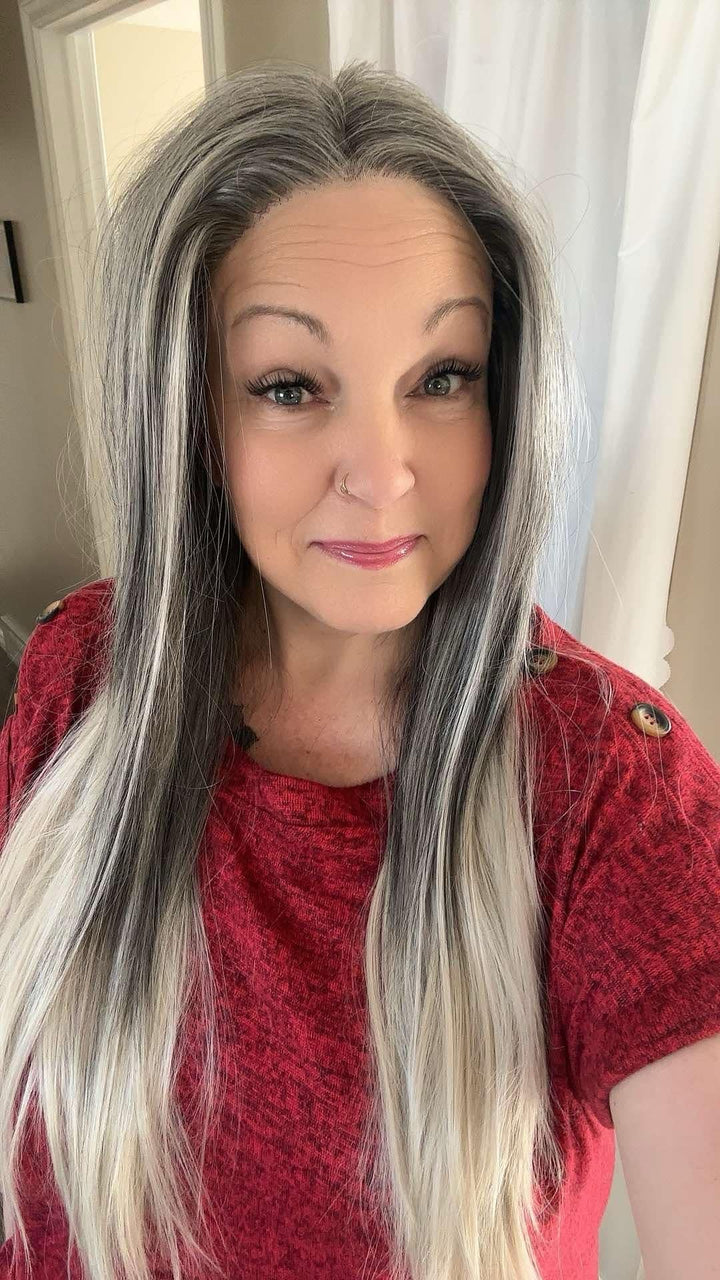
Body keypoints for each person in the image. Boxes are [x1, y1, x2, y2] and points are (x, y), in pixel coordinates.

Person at [1, 59, 719, 1280]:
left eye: (442, 378)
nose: (384, 474)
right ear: (186, 415)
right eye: (291, 387)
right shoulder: (85, 670)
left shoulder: (607, 785)